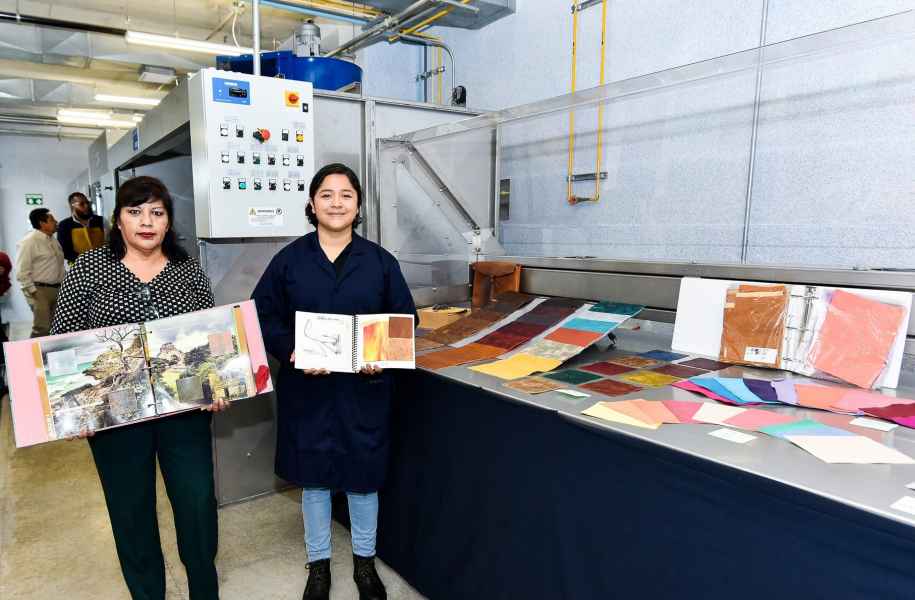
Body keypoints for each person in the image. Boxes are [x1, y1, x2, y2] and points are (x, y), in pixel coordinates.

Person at [50, 176, 227, 600]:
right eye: (135, 212)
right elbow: (61, 345)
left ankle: (204, 590)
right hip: (116, 417)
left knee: (198, 503)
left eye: (157, 212)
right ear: (118, 220)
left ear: (168, 222)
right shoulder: (88, 269)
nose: (146, 222)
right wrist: (72, 412)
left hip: (184, 408)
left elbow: (213, 335)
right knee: (131, 511)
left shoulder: (187, 269)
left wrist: (219, 381)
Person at [252, 163, 416, 600]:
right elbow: (262, 314)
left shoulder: (381, 262)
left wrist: (382, 357)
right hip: (309, 391)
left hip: (365, 391)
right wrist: (292, 350)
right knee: (315, 480)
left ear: (358, 205)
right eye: (326, 195)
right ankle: (319, 565)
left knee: (363, 480)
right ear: (312, 203)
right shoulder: (289, 260)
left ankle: (365, 563)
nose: (337, 203)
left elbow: (405, 320)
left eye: (346, 195)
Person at [15, 208, 64, 337]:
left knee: (57, 326)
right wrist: (33, 291)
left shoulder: (53, 240)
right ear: (42, 223)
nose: (56, 222)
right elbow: (21, 271)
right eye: (52, 220)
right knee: (42, 328)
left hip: (57, 288)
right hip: (39, 290)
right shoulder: (29, 241)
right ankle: (33, 350)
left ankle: (53, 350)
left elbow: (58, 265)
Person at [57, 191, 106, 264]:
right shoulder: (64, 225)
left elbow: (109, 241)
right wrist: (84, 259)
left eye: (87, 203)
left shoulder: (100, 220)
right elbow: (64, 250)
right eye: (82, 204)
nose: (86, 206)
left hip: (103, 262)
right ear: (72, 206)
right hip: (79, 265)